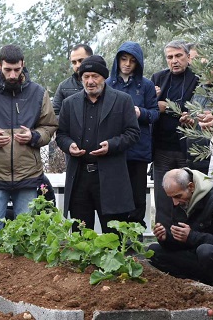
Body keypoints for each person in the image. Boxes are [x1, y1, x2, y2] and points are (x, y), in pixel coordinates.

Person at [0, 44, 58, 249]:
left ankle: (25, 279)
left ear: (23, 65)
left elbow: (49, 127)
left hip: (28, 174)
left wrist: (34, 136)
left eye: (17, 69)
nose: (13, 74)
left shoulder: (38, 93)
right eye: (8, 70)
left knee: (28, 232)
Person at [55, 55, 140, 233]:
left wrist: (112, 145)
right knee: (81, 238)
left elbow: (133, 133)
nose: (90, 81)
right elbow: (61, 134)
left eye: (95, 76)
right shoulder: (69, 103)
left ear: (104, 77)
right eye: (86, 77)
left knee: (112, 238)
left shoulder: (122, 100)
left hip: (110, 178)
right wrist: (69, 145)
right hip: (79, 178)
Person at [148, 168, 213, 293]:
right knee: (153, 251)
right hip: (198, 257)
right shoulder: (180, 202)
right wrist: (166, 238)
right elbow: (181, 243)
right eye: (171, 197)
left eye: (178, 196)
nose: (175, 202)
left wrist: (191, 236)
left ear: (191, 186)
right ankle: (196, 285)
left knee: (206, 251)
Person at [106, 42, 158, 229]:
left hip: (138, 150)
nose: (127, 64)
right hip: (114, 150)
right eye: (124, 59)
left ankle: (135, 238)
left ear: (138, 64)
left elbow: (154, 114)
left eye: (132, 61)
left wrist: (140, 113)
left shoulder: (146, 86)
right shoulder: (108, 84)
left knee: (137, 197)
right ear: (117, 60)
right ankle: (116, 238)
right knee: (116, 196)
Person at [151, 40, 199, 229]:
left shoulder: (197, 78)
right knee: (163, 198)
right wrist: (154, 100)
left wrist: (167, 108)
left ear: (188, 56)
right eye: (170, 57)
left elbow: (197, 109)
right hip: (162, 149)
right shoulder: (158, 78)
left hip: (188, 150)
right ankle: (164, 240)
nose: (174, 61)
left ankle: (187, 239)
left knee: (188, 197)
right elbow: (148, 108)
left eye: (178, 56)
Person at [52, 44, 92, 116]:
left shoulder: (104, 83)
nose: (78, 65)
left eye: (81, 60)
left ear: (91, 58)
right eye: (74, 62)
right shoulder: (63, 86)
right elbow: (55, 114)